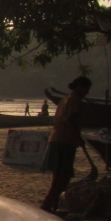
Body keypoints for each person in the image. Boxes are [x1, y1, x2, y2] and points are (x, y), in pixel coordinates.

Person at [40, 76, 92, 213]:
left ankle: (54, 204)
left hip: (57, 139)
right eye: (86, 89)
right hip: (65, 141)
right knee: (63, 177)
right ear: (80, 87)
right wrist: (78, 136)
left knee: (59, 176)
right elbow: (72, 119)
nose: (87, 92)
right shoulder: (75, 101)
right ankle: (47, 204)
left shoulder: (64, 100)